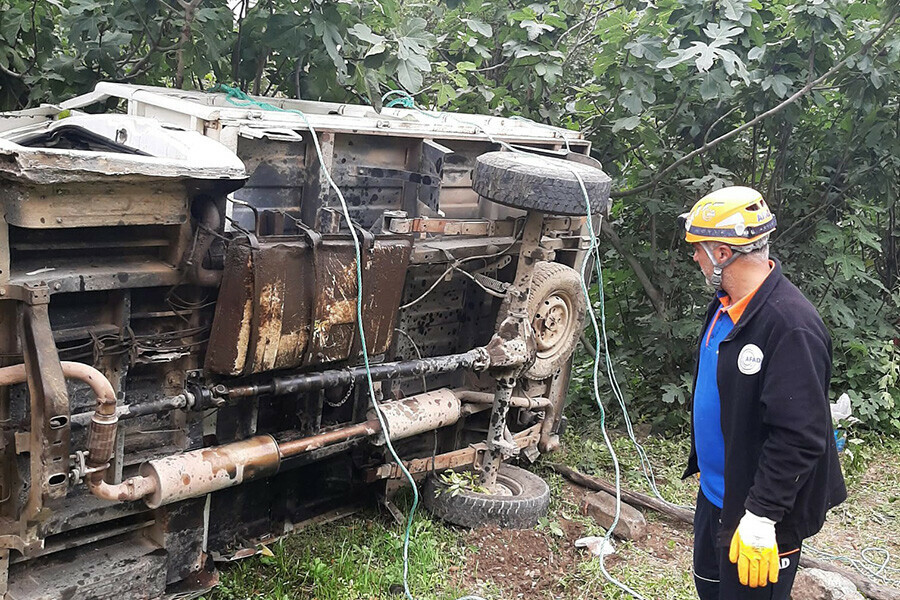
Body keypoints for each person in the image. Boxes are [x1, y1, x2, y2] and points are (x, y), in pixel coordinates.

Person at [679, 186, 846, 600]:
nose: (695, 257)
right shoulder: (726, 305)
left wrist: (761, 516)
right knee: (710, 590)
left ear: (722, 253)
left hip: (760, 515)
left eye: (698, 248)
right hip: (716, 496)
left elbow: (800, 435)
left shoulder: (791, 326)